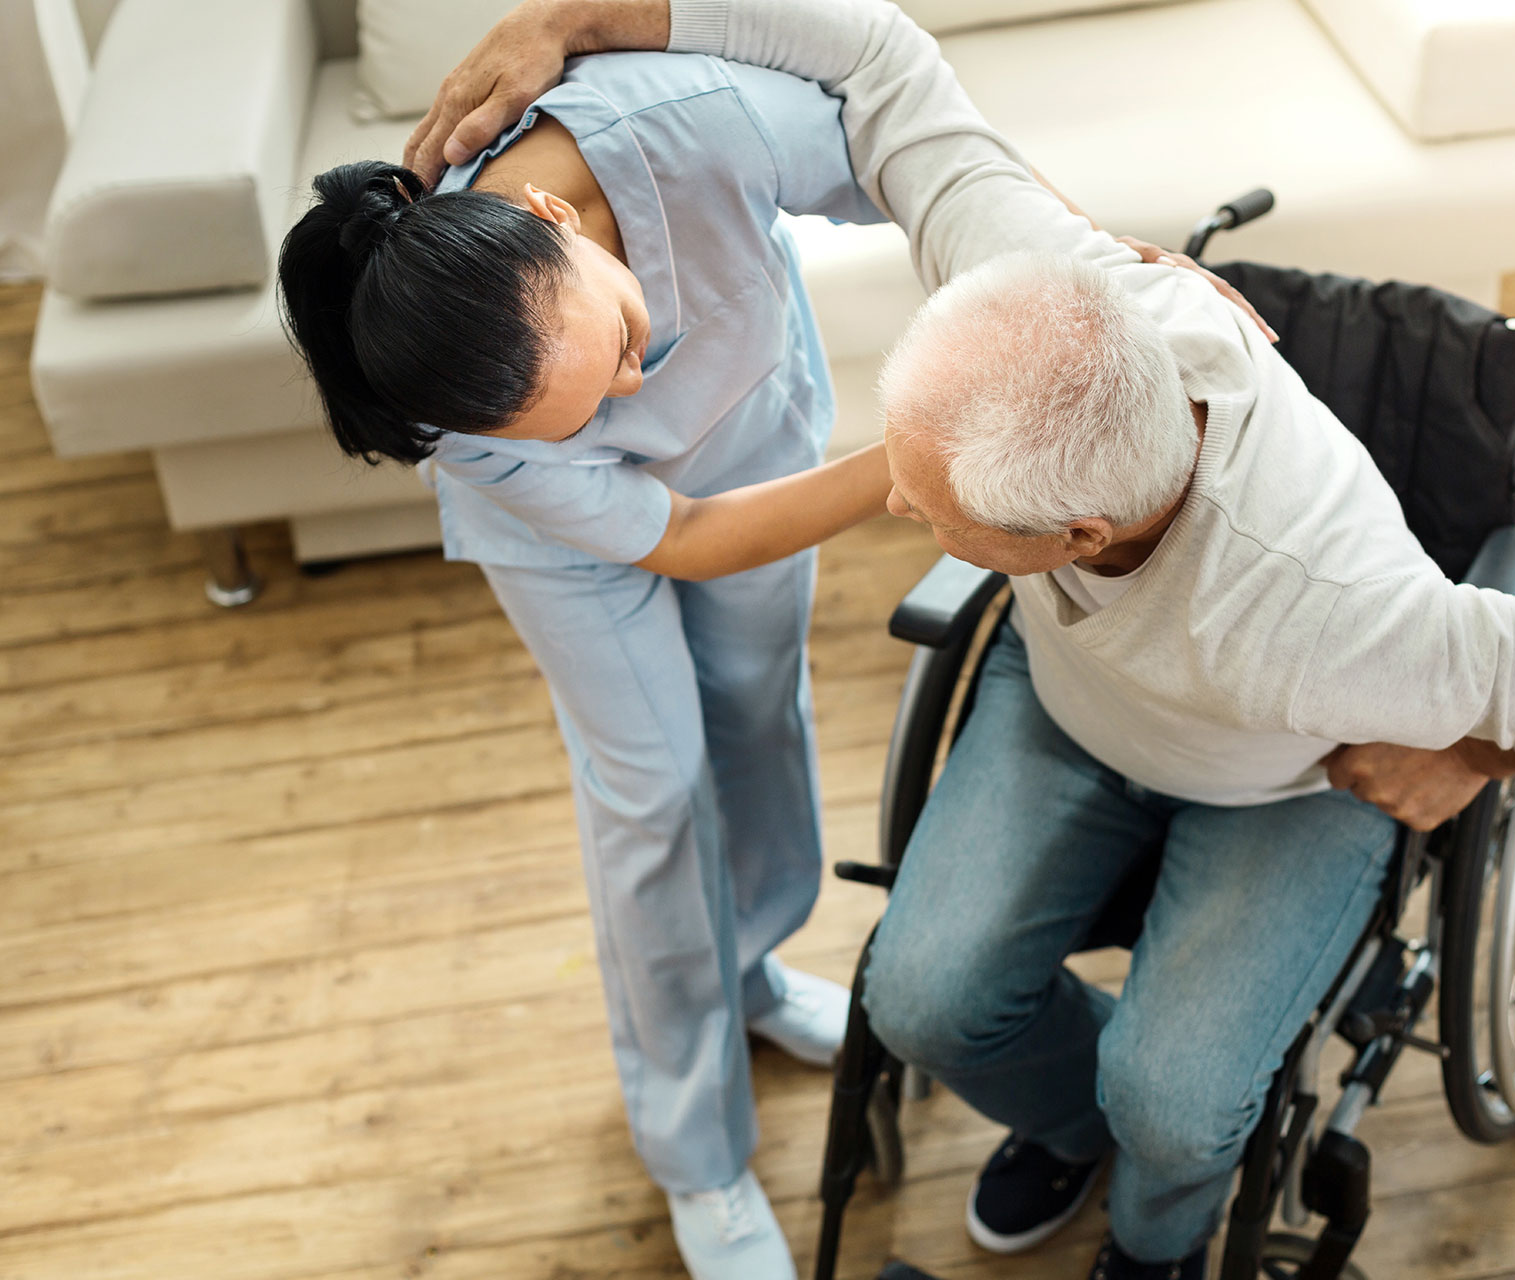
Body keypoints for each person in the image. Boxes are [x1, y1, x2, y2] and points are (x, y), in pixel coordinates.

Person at [414, 2, 1515, 1278]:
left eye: (934, 506)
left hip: (1288, 772)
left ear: (1072, 538)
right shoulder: (1028, 276)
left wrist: (1477, 754)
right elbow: (879, 54)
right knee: (919, 1002)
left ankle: (1154, 1242)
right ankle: (1071, 1121)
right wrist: (581, 15)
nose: (898, 503)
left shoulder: (1330, 626)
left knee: (1176, 1100)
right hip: (1081, 698)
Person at [284, 21, 1258, 1280]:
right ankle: (694, 1148)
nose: (631, 390)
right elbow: (679, 534)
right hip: (590, 551)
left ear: (555, 215)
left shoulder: (686, 122)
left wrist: (1097, 268)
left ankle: (744, 969)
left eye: (625, 343)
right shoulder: (466, 410)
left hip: (758, 447)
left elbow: (928, 165)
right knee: (654, 789)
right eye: (589, 408)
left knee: (757, 711)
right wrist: (911, 455)